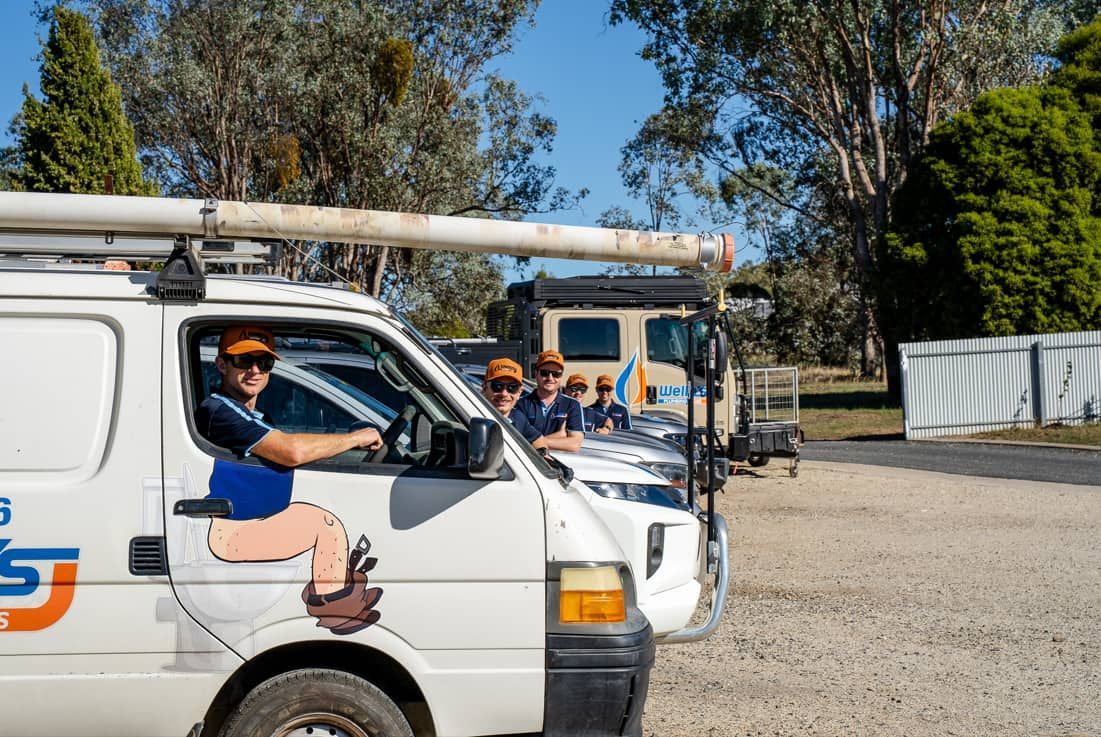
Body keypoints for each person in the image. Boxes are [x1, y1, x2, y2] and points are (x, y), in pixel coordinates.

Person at [195, 325, 385, 635]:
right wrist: (355, 438)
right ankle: (333, 607)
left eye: (264, 362)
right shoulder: (220, 411)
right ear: (222, 365)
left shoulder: (253, 416)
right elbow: (291, 451)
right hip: (233, 531)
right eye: (244, 361)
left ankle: (336, 596)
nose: (255, 370)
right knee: (322, 526)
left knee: (323, 525)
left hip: (254, 520)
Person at [514, 350, 584, 452]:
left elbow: (574, 445)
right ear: (536, 373)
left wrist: (534, 441)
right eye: (545, 373)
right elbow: (517, 442)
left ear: (561, 377)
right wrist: (559, 436)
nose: (550, 378)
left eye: (556, 374)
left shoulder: (572, 404)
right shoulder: (521, 404)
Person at [481, 358, 547, 451]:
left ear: (519, 393)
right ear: (484, 388)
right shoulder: (470, 416)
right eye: (497, 386)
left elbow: (539, 441)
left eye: (512, 387)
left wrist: (542, 454)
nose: (504, 393)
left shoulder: (518, 418)